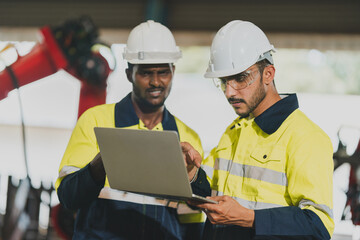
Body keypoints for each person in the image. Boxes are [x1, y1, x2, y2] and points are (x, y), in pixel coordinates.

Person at [55, 20, 209, 239]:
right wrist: (98, 167)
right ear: (129, 73)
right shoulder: (95, 121)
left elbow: (192, 220)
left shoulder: (187, 137)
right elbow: (69, 197)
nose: (156, 82)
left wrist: (193, 176)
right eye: (146, 73)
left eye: (163, 72)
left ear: (173, 71)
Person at [189, 20, 334, 239]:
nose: (229, 92)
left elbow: (318, 227)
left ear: (268, 74)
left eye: (240, 78)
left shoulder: (306, 138)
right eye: (224, 81)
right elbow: (210, 194)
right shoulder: (235, 130)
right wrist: (191, 174)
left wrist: (249, 218)